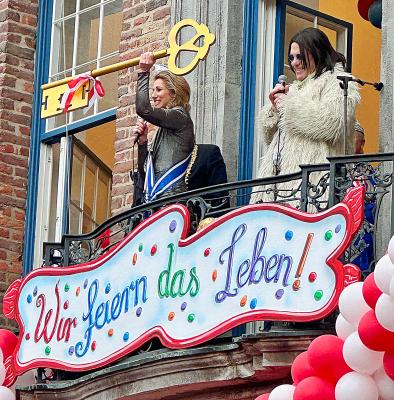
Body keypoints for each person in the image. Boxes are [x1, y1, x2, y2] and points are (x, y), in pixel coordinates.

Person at [250, 27, 360, 204]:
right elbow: (271, 140)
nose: (294, 63)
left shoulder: (339, 81)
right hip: (279, 187)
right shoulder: (293, 89)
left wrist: (289, 104)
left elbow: (333, 123)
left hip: (315, 189)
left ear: (317, 52)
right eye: (291, 58)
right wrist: (274, 110)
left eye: (300, 56)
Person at [134, 52, 195, 203]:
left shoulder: (180, 117)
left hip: (172, 200)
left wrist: (144, 72)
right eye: (152, 90)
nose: (153, 95)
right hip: (157, 202)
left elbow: (144, 109)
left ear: (174, 93)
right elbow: (144, 173)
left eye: (158, 90)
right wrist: (142, 144)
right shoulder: (165, 128)